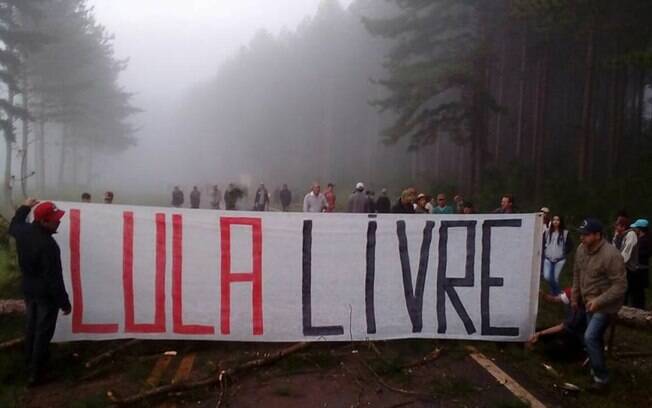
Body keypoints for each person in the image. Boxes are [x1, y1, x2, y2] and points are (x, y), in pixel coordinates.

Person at [9, 198, 71, 385]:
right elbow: (54, 279)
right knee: (43, 333)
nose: (58, 221)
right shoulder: (48, 246)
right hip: (45, 296)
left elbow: (14, 224)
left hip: (29, 289)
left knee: (31, 328)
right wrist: (64, 302)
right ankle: (37, 374)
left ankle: (29, 365)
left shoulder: (23, 232)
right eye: (55, 219)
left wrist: (26, 205)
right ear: (43, 221)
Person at [571, 218, 626, 391]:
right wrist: (575, 296)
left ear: (597, 235)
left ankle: (602, 378)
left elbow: (620, 285)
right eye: (582, 234)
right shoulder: (581, 250)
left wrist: (599, 301)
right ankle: (596, 368)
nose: (582, 238)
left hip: (606, 305)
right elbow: (577, 273)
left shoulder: (611, 255)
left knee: (590, 337)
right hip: (588, 302)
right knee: (593, 338)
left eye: (586, 235)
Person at [528, 288, 587, 361]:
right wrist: (543, 295)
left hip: (576, 337)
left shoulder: (581, 312)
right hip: (566, 331)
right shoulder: (573, 293)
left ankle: (579, 354)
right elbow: (554, 299)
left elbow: (562, 327)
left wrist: (540, 334)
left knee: (553, 348)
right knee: (536, 330)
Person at [613, 216, 640, 308]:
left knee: (632, 295)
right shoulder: (620, 235)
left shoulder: (631, 235)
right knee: (623, 293)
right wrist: (616, 236)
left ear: (623, 226)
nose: (615, 227)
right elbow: (614, 249)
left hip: (630, 269)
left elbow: (626, 254)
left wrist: (617, 263)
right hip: (623, 269)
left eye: (617, 225)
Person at [542, 215, 573, 296]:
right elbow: (542, 242)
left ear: (560, 221)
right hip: (548, 258)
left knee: (554, 278)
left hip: (559, 259)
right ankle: (559, 293)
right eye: (554, 220)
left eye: (557, 220)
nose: (555, 221)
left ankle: (555, 295)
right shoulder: (547, 232)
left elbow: (570, 245)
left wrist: (564, 252)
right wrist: (544, 251)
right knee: (547, 276)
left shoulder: (565, 233)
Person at [628, 219, 650, 309]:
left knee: (638, 295)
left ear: (640, 229)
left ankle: (638, 313)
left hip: (640, 272)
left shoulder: (644, 241)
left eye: (635, 228)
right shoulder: (643, 240)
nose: (633, 230)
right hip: (639, 271)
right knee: (637, 295)